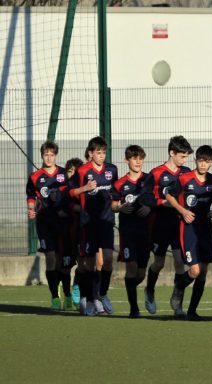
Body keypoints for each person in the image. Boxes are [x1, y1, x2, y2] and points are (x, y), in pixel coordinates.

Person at [165, 145, 212, 321]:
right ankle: (179, 287)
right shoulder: (184, 178)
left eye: (207, 161)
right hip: (189, 229)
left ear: (211, 162)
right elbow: (169, 196)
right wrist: (182, 211)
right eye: (200, 160)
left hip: (205, 228)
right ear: (195, 160)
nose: (203, 164)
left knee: (203, 272)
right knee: (195, 270)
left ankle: (192, 311)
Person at [140, 135, 193, 317]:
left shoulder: (186, 173)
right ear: (172, 153)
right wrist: (163, 202)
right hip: (160, 224)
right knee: (159, 263)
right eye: (182, 156)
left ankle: (178, 303)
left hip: (179, 224)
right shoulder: (156, 173)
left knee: (180, 263)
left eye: (186, 157)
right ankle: (150, 290)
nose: (184, 160)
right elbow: (145, 196)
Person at [69, 136, 118, 315]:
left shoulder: (112, 170)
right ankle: (89, 298)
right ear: (91, 153)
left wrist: (118, 205)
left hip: (106, 222)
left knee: (107, 262)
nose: (102, 156)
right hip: (88, 224)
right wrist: (85, 189)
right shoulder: (82, 171)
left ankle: (101, 294)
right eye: (98, 152)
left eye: (104, 152)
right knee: (89, 264)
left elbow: (115, 192)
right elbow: (71, 191)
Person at [26, 140, 69, 310]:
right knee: (50, 259)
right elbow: (30, 196)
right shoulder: (35, 177)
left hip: (63, 222)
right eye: (46, 155)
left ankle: (65, 291)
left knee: (61, 261)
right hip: (44, 223)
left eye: (52, 155)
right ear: (42, 156)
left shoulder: (65, 174)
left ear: (56, 155)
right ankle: (54, 297)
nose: (49, 158)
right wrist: (31, 209)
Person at [110, 145, 152, 318]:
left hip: (146, 231)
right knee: (131, 267)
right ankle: (134, 308)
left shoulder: (149, 180)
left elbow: (156, 199)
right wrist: (120, 207)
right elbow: (112, 205)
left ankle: (135, 291)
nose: (138, 162)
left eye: (140, 158)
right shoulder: (120, 183)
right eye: (134, 158)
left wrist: (149, 208)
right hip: (128, 232)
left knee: (141, 272)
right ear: (126, 160)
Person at [64, 157, 84, 309]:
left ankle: (77, 287)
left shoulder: (83, 189)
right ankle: (63, 293)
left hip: (79, 230)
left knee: (82, 263)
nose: (72, 174)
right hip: (64, 231)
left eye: (75, 172)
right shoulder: (63, 189)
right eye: (69, 171)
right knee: (63, 265)